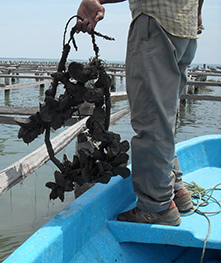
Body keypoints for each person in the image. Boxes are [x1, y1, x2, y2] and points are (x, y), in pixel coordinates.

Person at [76, 0, 204, 226]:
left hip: (157, 23)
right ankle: (175, 191)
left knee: (151, 119)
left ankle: (157, 207)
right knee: (164, 116)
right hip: (186, 27)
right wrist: (198, 13)